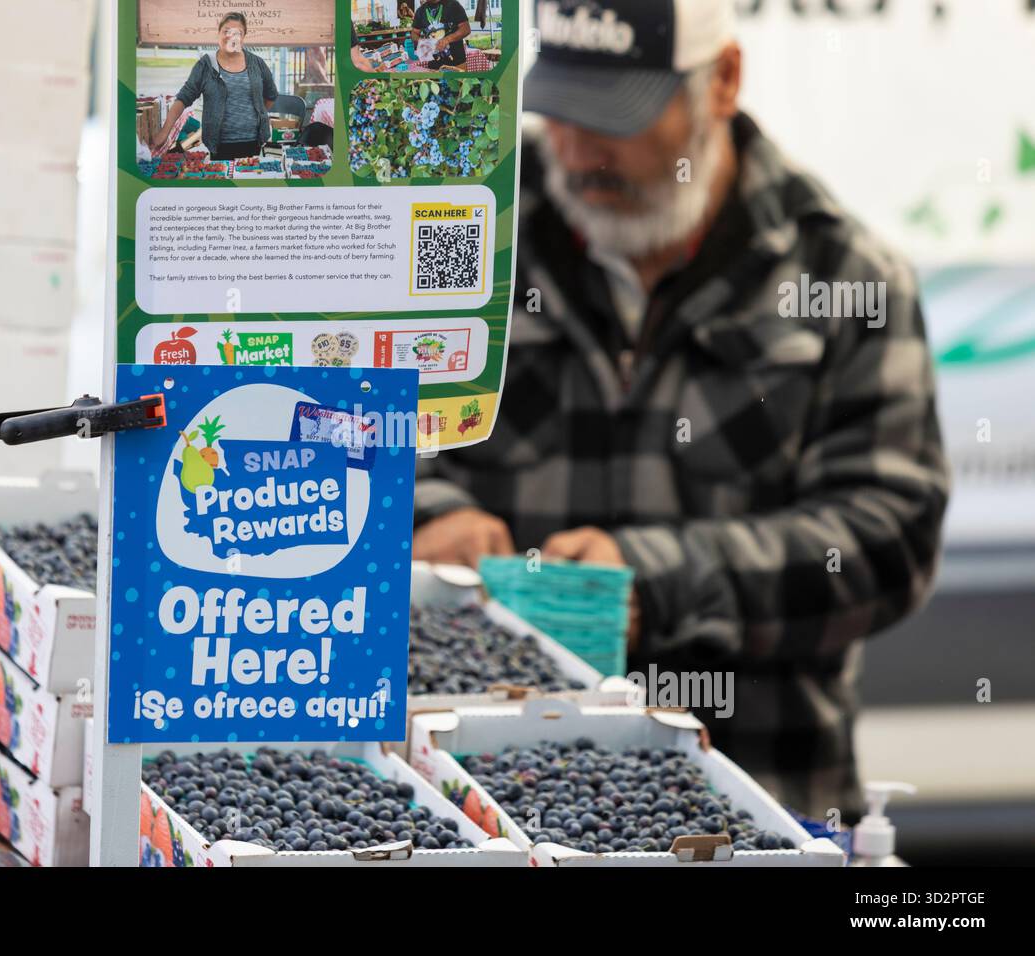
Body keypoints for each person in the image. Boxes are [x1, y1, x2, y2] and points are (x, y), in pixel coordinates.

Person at [412, 0, 950, 820]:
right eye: (560, 107)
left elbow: (888, 535)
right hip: (475, 796)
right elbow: (347, 418)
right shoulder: (469, 230)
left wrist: (658, 582)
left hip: (761, 803)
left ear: (723, 81)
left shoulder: (848, 279)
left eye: (615, 116)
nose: (577, 147)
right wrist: (427, 515)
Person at [151, 12, 278, 161]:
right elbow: (183, 99)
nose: (231, 36)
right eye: (226, 31)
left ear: (243, 37)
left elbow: (271, 95)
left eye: (237, 33)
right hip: (219, 146)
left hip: (253, 144)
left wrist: (258, 115)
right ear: (218, 33)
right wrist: (164, 132)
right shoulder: (205, 65)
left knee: (249, 180)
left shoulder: (257, 63)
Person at [410, 0, 470, 70]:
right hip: (433, 66)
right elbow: (414, 33)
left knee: (460, 81)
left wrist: (447, 39)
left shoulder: (453, 5)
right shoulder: (420, 11)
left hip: (457, 64)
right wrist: (421, 41)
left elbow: (466, 29)